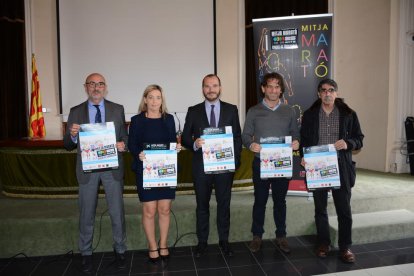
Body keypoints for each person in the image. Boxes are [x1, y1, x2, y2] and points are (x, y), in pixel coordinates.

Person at [63, 73, 128, 273]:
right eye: (92, 84)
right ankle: (86, 253)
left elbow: (125, 139)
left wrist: (122, 145)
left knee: (117, 212)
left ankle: (120, 250)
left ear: (105, 87)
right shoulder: (75, 112)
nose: (96, 87)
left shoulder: (117, 109)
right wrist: (72, 136)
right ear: (86, 87)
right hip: (87, 170)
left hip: (112, 169)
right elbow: (67, 144)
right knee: (86, 214)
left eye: (100, 84)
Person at [300, 78, 364, 263]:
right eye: (324, 90)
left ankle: (345, 247)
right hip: (317, 167)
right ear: (319, 94)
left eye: (331, 90)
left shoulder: (349, 114)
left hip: (340, 167)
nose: (327, 93)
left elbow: (359, 139)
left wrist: (348, 143)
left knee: (344, 209)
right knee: (320, 209)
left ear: (336, 92)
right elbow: (304, 139)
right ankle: (323, 243)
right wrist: (304, 156)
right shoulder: (310, 115)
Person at [182, 74, 242, 257]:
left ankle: (224, 241)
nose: (211, 89)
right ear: (203, 89)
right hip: (201, 167)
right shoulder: (193, 111)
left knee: (224, 204)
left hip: (224, 166)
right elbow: (185, 137)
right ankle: (202, 242)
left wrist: (235, 160)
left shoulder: (232, 110)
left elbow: (237, 137)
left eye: (214, 85)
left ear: (220, 88)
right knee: (202, 205)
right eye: (207, 86)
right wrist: (194, 143)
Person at [242, 72, 300, 254]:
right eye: (270, 86)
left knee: (280, 201)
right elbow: (245, 135)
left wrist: (296, 142)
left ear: (281, 90)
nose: (273, 90)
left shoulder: (289, 111)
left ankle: (281, 236)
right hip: (261, 163)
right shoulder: (254, 111)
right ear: (263, 88)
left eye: (277, 86)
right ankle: (257, 236)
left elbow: (295, 134)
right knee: (259, 201)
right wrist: (251, 144)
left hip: (281, 163)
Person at [128, 84, 181, 263]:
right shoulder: (137, 120)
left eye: (158, 97)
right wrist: (138, 153)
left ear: (162, 100)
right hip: (145, 171)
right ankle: (152, 246)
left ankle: (163, 244)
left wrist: (177, 148)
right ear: (145, 100)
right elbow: (132, 144)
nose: (154, 101)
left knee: (165, 209)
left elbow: (171, 142)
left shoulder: (169, 119)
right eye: (150, 97)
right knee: (150, 210)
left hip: (165, 172)